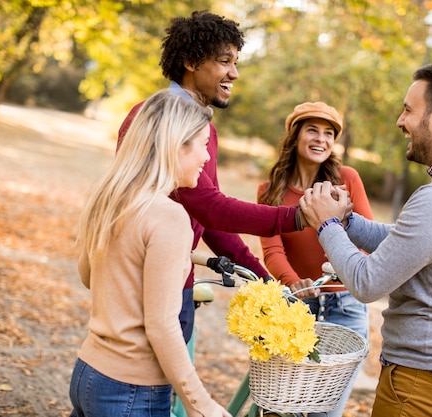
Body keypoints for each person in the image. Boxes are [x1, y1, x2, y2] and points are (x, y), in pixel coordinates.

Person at [299, 63, 432, 416]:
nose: (400, 120)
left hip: (419, 385)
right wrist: (347, 221)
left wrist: (326, 225)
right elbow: (405, 243)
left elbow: (366, 283)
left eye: (408, 109)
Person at [116, 10, 306, 345]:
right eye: (224, 61)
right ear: (191, 61)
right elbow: (210, 208)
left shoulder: (194, 124)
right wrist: (300, 216)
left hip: (171, 279)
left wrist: (264, 280)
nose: (233, 73)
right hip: (152, 284)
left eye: (236, 62)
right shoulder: (163, 119)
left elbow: (209, 219)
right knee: (146, 394)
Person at [69, 90, 230, 417]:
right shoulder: (169, 216)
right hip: (131, 391)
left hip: (88, 375)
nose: (206, 157)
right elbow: (162, 325)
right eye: (202, 144)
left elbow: (88, 275)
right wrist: (200, 404)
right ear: (177, 146)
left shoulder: (112, 197)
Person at [257, 101, 373, 415]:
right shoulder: (270, 192)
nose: (320, 139)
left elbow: (366, 238)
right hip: (296, 307)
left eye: (328, 133)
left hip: (345, 305)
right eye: (312, 130)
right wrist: (295, 284)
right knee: (284, 406)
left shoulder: (347, 179)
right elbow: (273, 250)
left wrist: (345, 265)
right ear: (295, 136)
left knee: (326, 411)